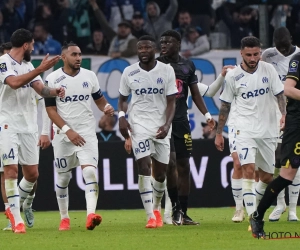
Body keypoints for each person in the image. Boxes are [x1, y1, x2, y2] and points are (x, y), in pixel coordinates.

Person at [214, 36, 286, 234]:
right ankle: (253, 217)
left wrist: (284, 115)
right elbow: (225, 106)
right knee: (247, 168)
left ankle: (251, 206)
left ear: (260, 52)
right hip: (244, 129)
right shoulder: (233, 77)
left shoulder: (268, 70)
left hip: (268, 129)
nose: (253, 58)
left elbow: (280, 95)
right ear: (241, 54)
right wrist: (219, 133)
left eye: (256, 54)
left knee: (267, 176)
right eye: (249, 55)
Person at [44, 42, 114, 231]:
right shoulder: (52, 78)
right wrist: (68, 130)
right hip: (63, 135)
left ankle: (90, 215)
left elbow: (100, 100)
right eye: (74, 54)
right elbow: (50, 110)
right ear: (64, 57)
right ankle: (64, 217)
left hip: (86, 133)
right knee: (63, 178)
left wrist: (106, 108)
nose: (78, 58)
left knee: (90, 172)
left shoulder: (90, 76)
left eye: (80, 54)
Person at [0, 28, 63, 234]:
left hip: (28, 126)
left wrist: (55, 91)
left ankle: (21, 205)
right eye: (33, 45)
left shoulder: (28, 65)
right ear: (26, 45)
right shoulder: (3, 62)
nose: (33, 48)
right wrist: (40, 68)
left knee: (32, 174)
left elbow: (41, 90)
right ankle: (16, 219)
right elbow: (15, 83)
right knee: (10, 171)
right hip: (7, 124)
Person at [118, 35, 178, 228]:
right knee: (144, 167)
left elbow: (171, 101)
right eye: (140, 48)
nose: (143, 51)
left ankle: (157, 207)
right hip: (138, 125)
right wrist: (121, 117)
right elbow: (122, 99)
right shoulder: (129, 72)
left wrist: (167, 125)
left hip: (161, 126)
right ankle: (150, 215)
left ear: (155, 50)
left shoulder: (166, 70)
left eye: (147, 48)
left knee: (160, 175)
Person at [157, 30, 215, 226]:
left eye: (168, 42)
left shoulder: (188, 65)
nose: (163, 45)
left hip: (181, 122)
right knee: (170, 164)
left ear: (179, 43)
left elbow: (196, 94)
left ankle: (184, 212)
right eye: (162, 42)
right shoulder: (155, 65)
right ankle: (174, 209)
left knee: (184, 166)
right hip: (162, 123)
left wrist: (207, 115)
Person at [250, 49, 300, 239]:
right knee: (287, 176)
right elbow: (288, 89)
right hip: (297, 124)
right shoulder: (298, 60)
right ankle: (257, 216)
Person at [261, 26, 300, 222]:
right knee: (275, 160)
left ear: (291, 40)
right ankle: (280, 204)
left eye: (285, 47)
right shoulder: (267, 55)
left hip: (293, 113)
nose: (282, 51)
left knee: (293, 161)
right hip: (272, 112)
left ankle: (293, 208)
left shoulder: (298, 56)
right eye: (279, 47)